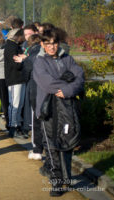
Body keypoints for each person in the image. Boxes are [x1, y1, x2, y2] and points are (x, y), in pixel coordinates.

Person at [33, 29, 84, 196]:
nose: (52, 47)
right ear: (42, 44)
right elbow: (48, 84)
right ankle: (56, 183)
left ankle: (66, 178)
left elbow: (80, 77)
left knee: (67, 144)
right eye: (47, 44)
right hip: (48, 110)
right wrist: (67, 80)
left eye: (54, 43)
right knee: (52, 147)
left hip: (67, 108)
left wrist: (68, 90)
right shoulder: (39, 62)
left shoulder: (67, 58)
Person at [21, 34, 44, 160]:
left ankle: (37, 149)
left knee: (36, 119)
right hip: (49, 92)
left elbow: (26, 72)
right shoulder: (48, 55)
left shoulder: (31, 57)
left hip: (35, 89)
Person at [4, 29, 27, 138]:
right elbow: (16, 65)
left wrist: (23, 59)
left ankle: (17, 125)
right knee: (14, 104)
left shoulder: (15, 46)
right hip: (14, 79)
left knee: (20, 104)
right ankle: (12, 127)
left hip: (20, 78)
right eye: (24, 36)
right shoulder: (10, 46)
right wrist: (24, 59)